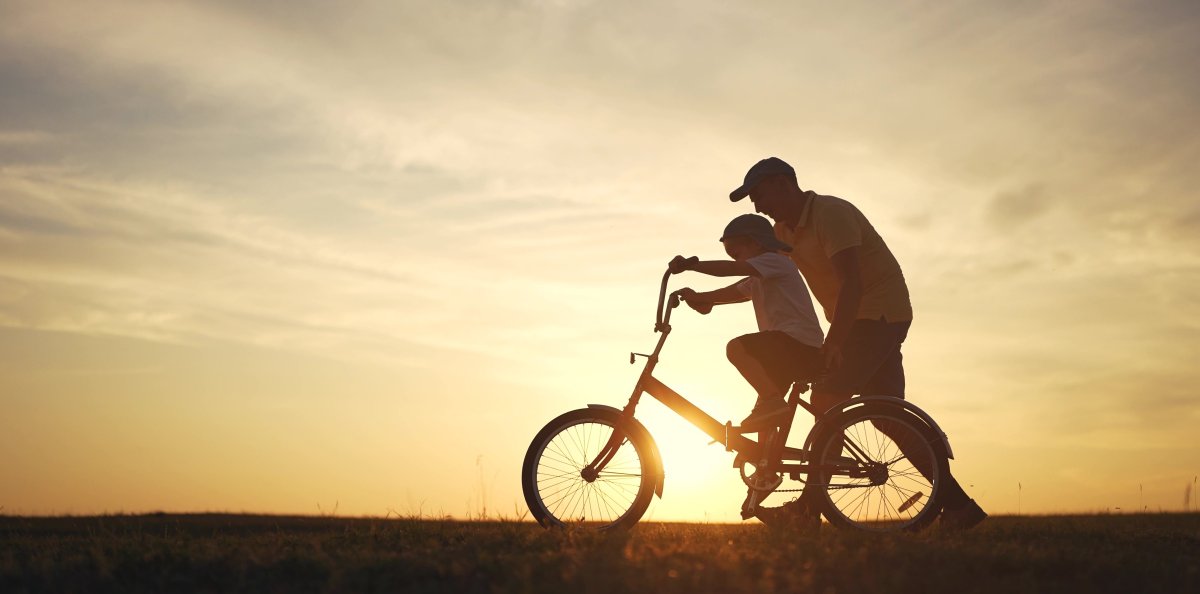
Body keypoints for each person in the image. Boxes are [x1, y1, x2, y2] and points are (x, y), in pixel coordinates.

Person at [728, 156, 987, 530]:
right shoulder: (783, 231)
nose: (757, 206)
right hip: (857, 321)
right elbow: (763, 277)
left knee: (827, 400)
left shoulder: (830, 214)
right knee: (888, 418)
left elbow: (852, 281)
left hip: (877, 314)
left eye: (759, 194)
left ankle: (806, 511)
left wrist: (834, 341)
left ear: (783, 183)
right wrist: (711, 298)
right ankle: (960, 507)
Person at [668, 213, 824, 432]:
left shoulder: (777, 261)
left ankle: (772, 401)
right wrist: (703, 298)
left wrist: (691, 266)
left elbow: (731, 271)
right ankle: (768, 443)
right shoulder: (760, 276)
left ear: (755, 243)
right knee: (766, 419)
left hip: (799, 344)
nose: (737, 261)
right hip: (787, 349)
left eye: (736, 254)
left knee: (736, 348)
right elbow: (734, 291)